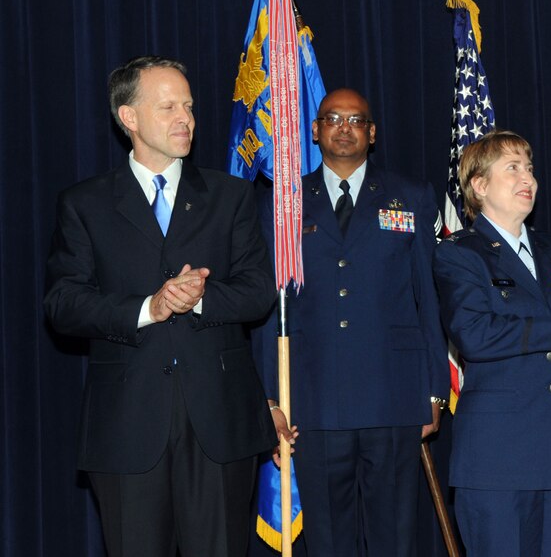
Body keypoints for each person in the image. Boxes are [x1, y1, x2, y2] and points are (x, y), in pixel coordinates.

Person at [43, 56, 278, 557]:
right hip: (127, 427)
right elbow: (63, 304)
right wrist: (148, 307)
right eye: (168, 106)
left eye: (189, 106)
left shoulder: (229, 196)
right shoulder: (84, 204)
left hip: (220, 425)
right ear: (128, 117)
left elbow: (260, 292)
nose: (185, 119)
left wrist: (199, 300)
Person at [260, 88, 448, 557]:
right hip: (314, 397)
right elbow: (268, 306)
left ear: (372, 132)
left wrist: (433, 390)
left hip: (394, 396)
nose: (344, 127)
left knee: (394, 539)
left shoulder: (412, 196)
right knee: (327, 541)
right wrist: (269, 396)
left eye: (355, 119)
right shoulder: (284, 203)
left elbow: (429, 296)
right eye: (333, 118)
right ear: (316, 130)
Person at [433, 130, 551, 556]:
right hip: (500, 456)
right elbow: (474, 334)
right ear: (479, 186)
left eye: (530, 168)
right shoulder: (460, 253)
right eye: (512, 168)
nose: (528, 178)